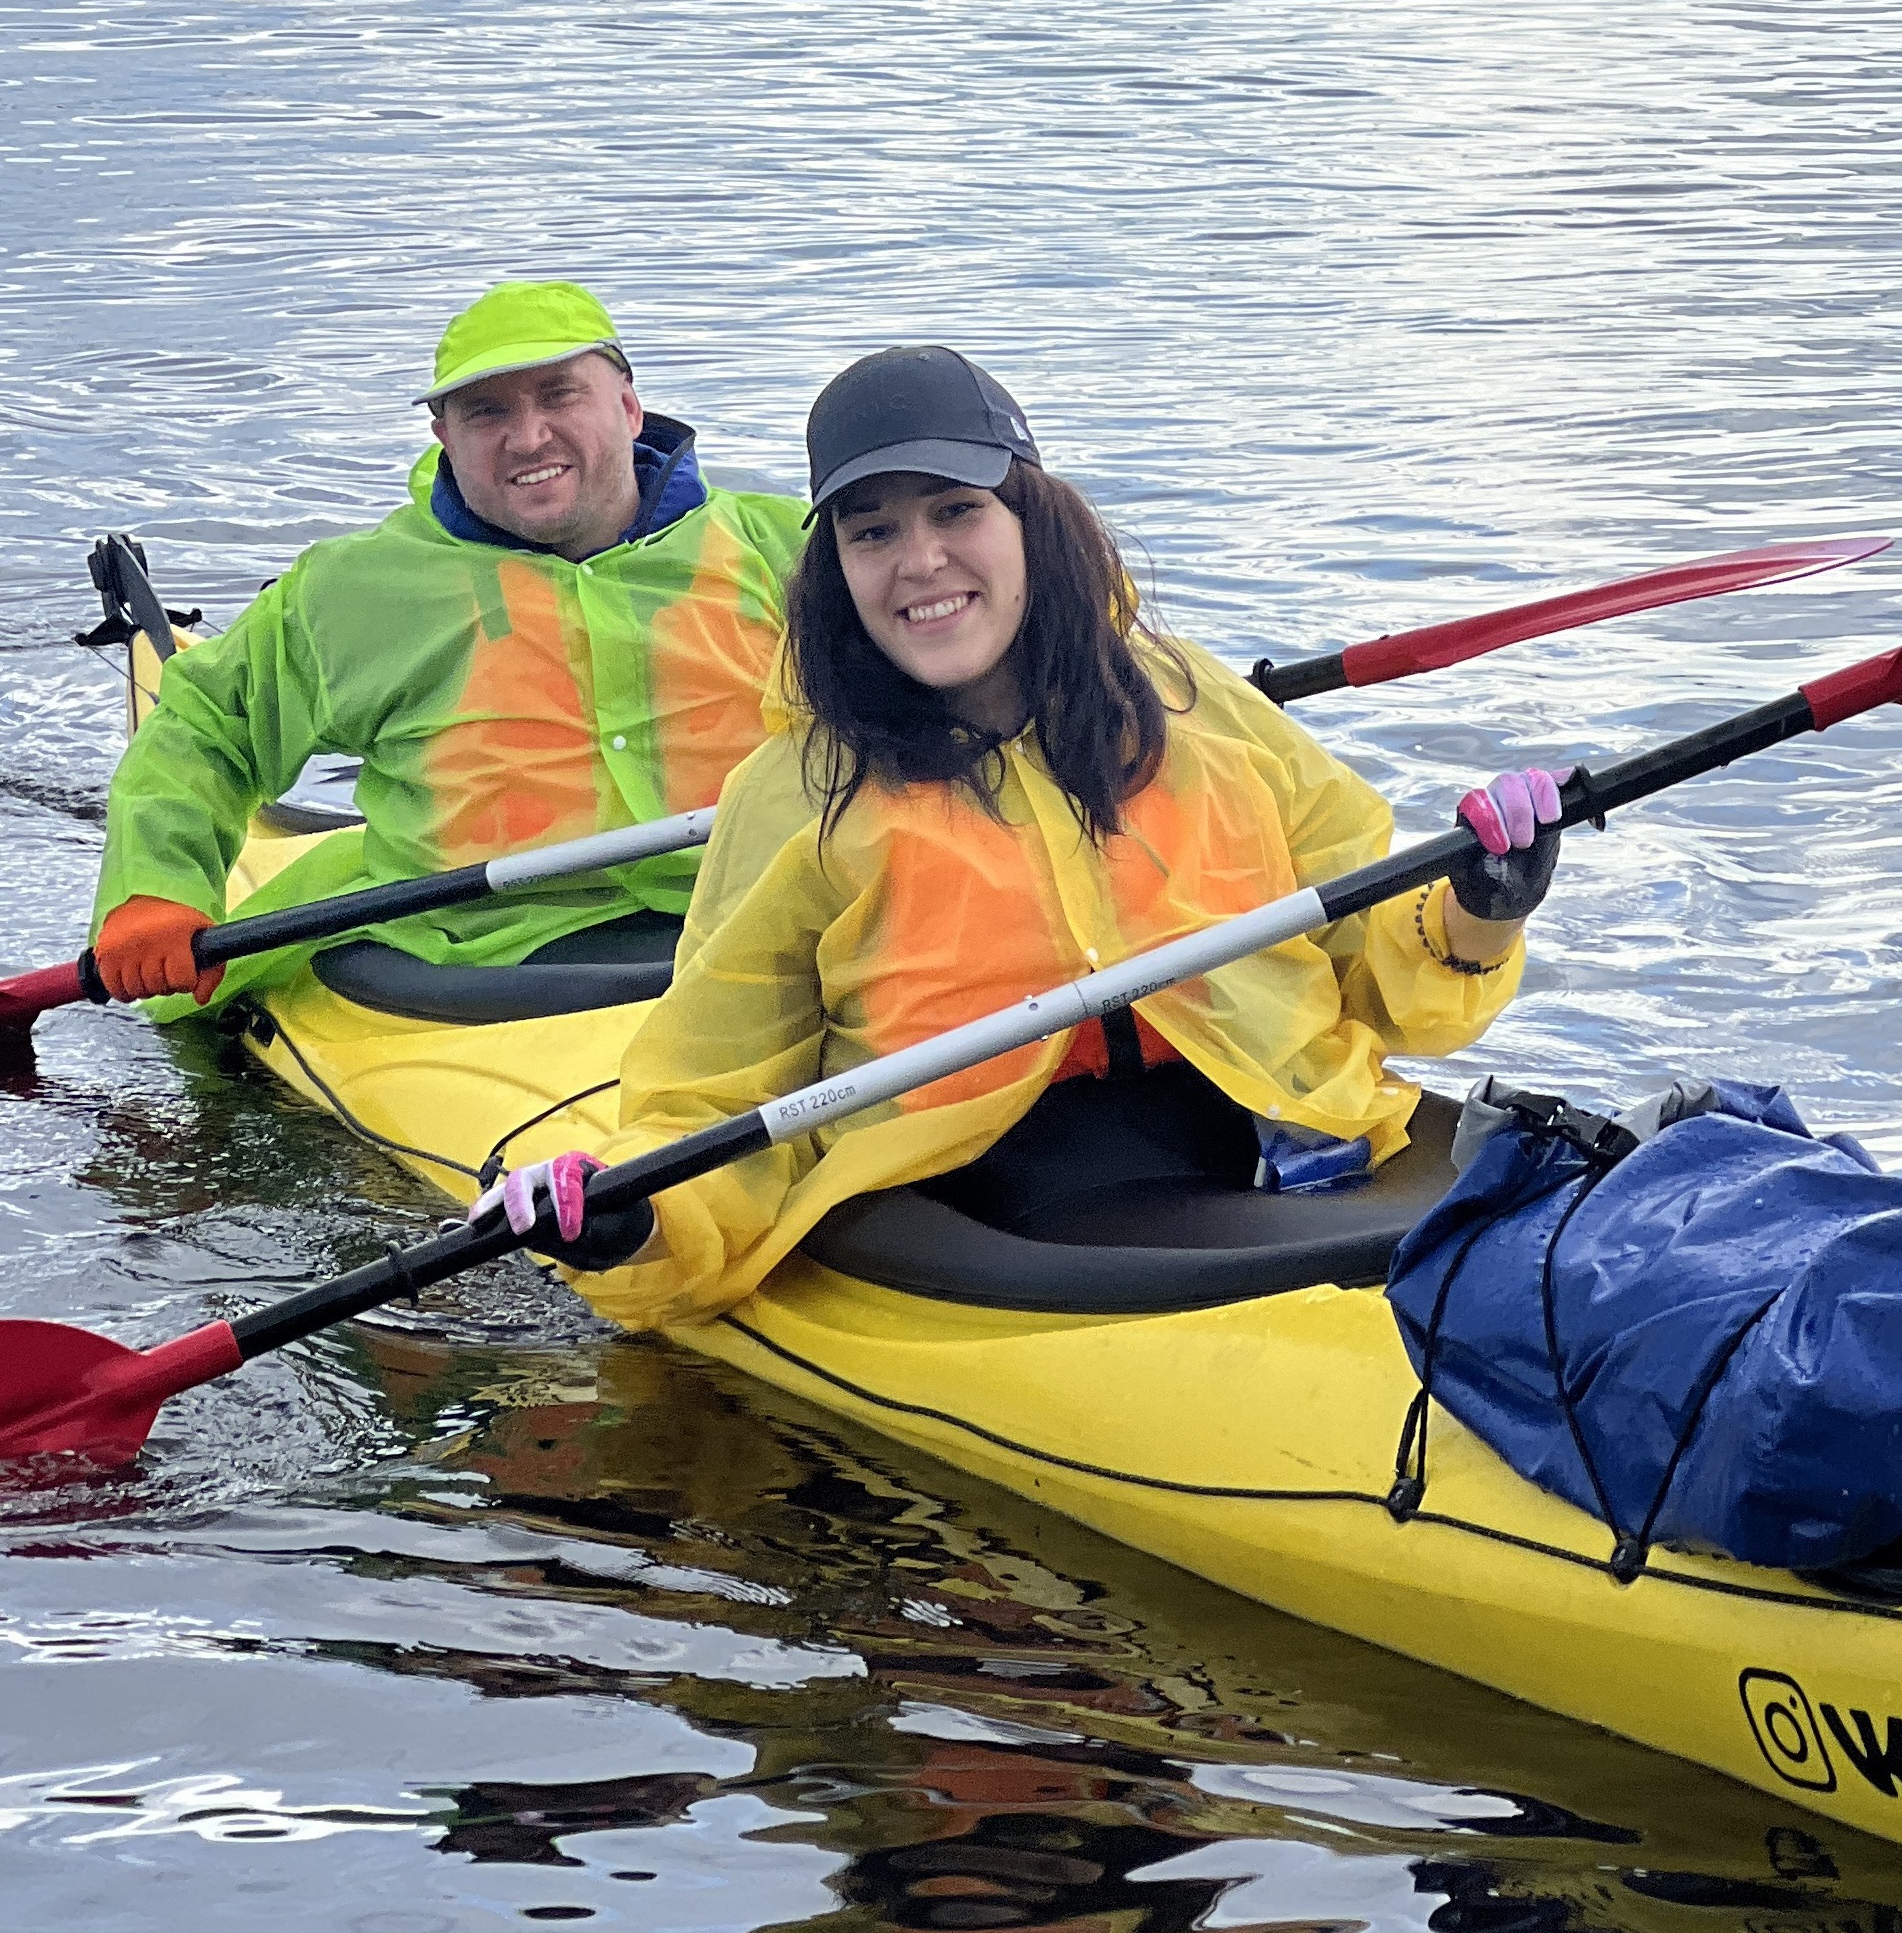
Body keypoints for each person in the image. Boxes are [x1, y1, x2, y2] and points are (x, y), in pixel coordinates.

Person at [479, 344, 1565, 1325]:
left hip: (1303, 1153)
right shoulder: (800, 794)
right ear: (835, 572)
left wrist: (1478, 910)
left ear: (1033, 521)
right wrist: (634, 1220)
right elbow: (711, 1095)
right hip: (999, 1206)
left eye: (956, 510)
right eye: (872, 532)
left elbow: (1377, 973)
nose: (919, 562)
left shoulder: (1197, 707)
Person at [90, 281, 813, 1013]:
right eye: (488, 412)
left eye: (559, 396)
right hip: (471, 954)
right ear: (445, 438)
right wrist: (157, 887)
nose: (528, 437)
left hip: (775, 921)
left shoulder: (795, 551)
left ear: (627, 409)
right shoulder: (359, 589)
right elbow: (203, 726)